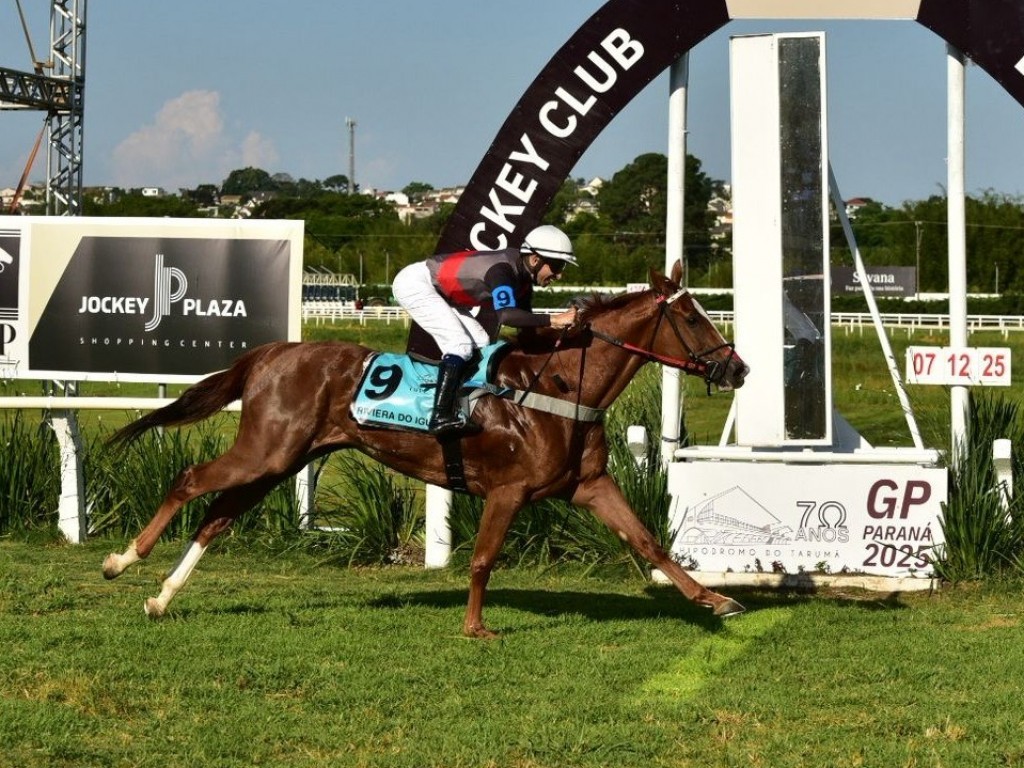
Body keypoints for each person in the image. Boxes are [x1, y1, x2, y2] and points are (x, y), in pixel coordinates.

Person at [392, 224, 579, 436]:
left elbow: (526, 328)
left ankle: (463, 404)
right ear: (535, 260)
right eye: (557, 266)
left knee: (482, 342)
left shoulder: (524, 278)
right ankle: (440, 416)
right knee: (459, 345)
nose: (559, 275)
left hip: (441, 292)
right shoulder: (503, 271)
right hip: (416, 284)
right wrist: (554, 320)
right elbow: (507, 316)